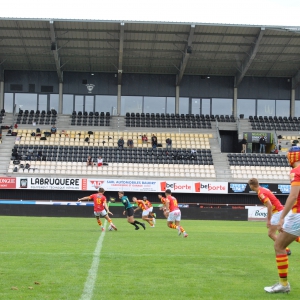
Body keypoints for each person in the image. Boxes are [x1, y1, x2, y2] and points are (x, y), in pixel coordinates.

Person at [264, 146, 300, 293]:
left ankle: (283, 285)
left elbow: (293, 196)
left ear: (293, 157)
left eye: (288, 156)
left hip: (297, 214)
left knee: (279, 246)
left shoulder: (295, 172)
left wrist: (282, 218)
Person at [248, 178, 298, 256]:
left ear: (252, 185)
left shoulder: (260, 193)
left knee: (271, 233)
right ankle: (285, 248)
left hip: (277, 212)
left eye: (249, 185)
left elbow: (269, 205)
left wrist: (268, 220)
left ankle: (285, 249)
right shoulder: (264, 189)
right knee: (288, 232)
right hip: (280, 210)